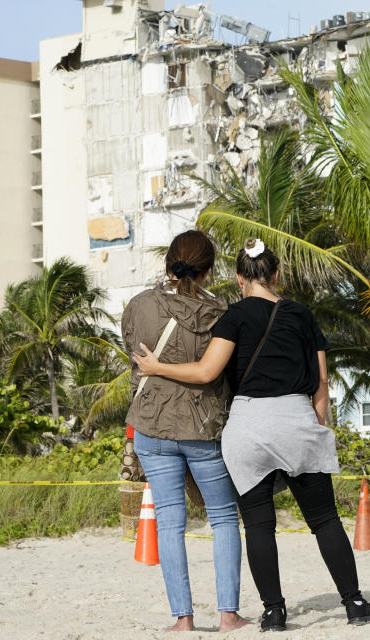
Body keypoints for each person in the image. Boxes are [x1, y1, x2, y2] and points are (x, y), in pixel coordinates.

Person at [133, 237, 370, 631]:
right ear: (276, 275)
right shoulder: (301, 315)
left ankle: (273, 612)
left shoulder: (232, 317)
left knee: (259, 525)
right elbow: (321, 383)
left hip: (249, 426)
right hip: (296, 418)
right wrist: (317, 430)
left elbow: (205, 373)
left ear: (238, 278)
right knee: (324, 519)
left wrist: (155, 367)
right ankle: (354, 603)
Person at [121, 230, 248, 633]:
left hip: (152, 425)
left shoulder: (139, 306)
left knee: (170, 522)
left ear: (167, 265)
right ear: (209, 271)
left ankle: (183, 619)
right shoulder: (221, 314)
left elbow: (133, 354)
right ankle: (229, 615)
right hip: (203, 425)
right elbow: (224, 369)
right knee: (224, 518)